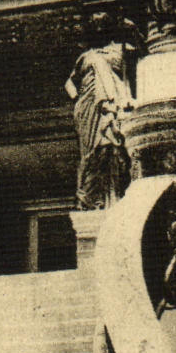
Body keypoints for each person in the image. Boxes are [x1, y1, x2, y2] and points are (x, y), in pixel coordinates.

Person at [65, 12, 135, 208]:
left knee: (108, 148)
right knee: (90, 153)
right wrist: (78, 98)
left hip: (110, 107)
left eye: (103, 25)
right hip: (88, 107)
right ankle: (87, 197)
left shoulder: (119, 50)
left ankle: (106, 197)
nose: (99, 30)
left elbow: (137, 56)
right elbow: (70, 84)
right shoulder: (87, 56)